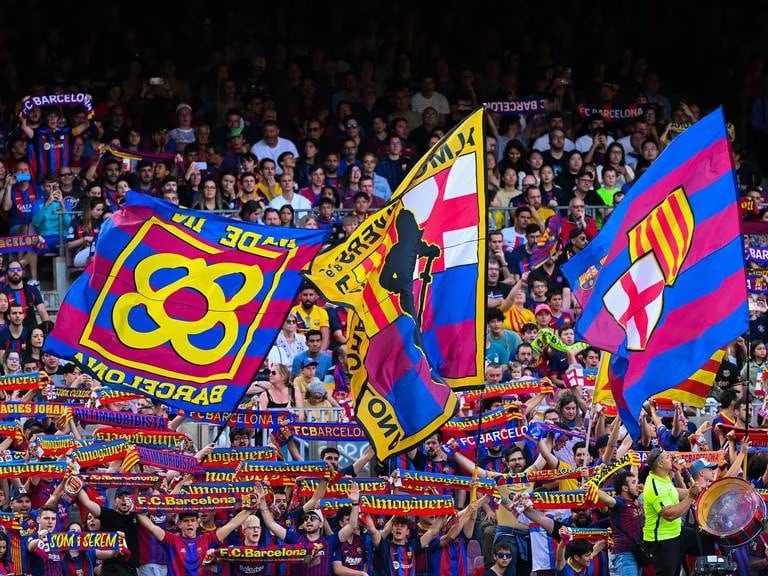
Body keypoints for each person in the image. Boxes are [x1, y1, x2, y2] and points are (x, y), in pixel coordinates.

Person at [137, 501, 257, 576]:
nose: (189, 524)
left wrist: (251, 508)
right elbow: (151, 527)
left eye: (192, 521)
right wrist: (135, 507)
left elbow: (232, 525)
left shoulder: (206, 539)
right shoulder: (172, 540)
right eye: (186, 521)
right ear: (179, 525)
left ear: (197, 524)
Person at [642, 447, 703, 576]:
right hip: (662, 541)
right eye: (667, 457)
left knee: (703, 538)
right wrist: (691, 497)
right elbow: (669, 514)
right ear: (660, 463)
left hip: (676, 533)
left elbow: (673, 492)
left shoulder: (663, 477)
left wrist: (696, 492)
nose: (671, 458)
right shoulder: (654, 486)